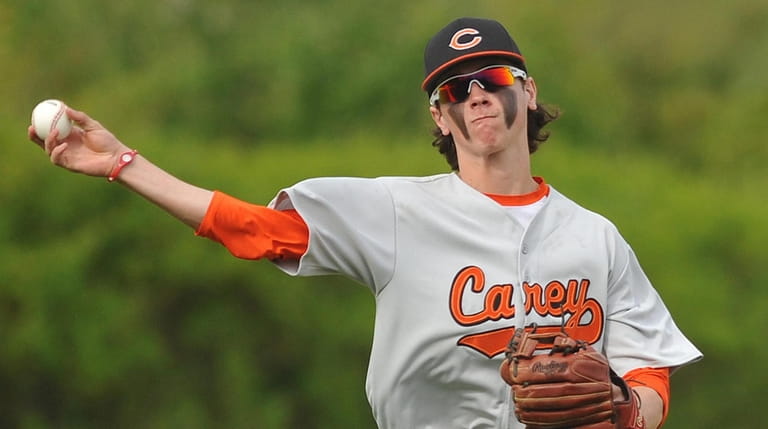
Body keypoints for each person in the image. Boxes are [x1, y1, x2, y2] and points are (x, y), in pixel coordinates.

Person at [29, 17, 701, 429]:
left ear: (525, 89)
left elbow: (650, 371)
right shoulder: (395, 211)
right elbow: (256, 230)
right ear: (440, 118)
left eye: (490, 75)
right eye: (452, 89)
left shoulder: (596, 237)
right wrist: (122, 163)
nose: (475, 94)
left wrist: (627, 412)